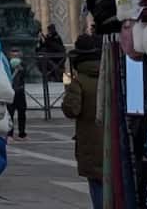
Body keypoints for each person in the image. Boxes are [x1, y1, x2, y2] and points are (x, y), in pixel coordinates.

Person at [62, 35, 103, 209]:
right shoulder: (110, 76)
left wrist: (68, 95)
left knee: (96, 182)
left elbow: (72, 110)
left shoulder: (79, 82)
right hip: (113, 139)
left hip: (89, 141)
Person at [8, 52, 27, 139]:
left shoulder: (23, 66)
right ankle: (9, 133)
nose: (15, 58)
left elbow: (25, 76)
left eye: (17, 56)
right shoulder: (7, 66)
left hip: (20, 92)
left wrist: (21, 69)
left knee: (22, 112)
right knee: (10, 113)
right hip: (11, 91)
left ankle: (22, 133)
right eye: (13, 56)